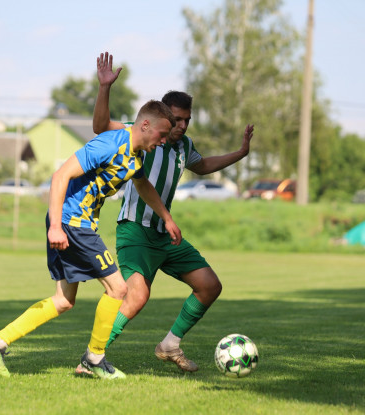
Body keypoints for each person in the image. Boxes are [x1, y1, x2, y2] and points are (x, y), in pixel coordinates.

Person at [0, 98, 181, 380]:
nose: (163, 141)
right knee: (118, 288)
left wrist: (167, 218)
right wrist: (56, 227)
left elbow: (142, 184)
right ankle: (93, 359)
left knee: (63, 300)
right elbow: (60, 175)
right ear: (145, 125)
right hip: (72, 223)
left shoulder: (135, 157)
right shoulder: (110, 143)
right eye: (162, 134)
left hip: (76, 223)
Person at [88, 52, 254, 372]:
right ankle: (93, 356)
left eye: (187, 120)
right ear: (162, 116)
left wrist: (241, 152)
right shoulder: (142, 131)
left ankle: (169, 345)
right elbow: (100, 126)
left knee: (209, 286)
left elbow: (202, 166)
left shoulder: (184, 145)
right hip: (135, 230)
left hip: (166, 235)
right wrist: (105, 87)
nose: (182, 126)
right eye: (177, 119)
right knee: (136, 296)